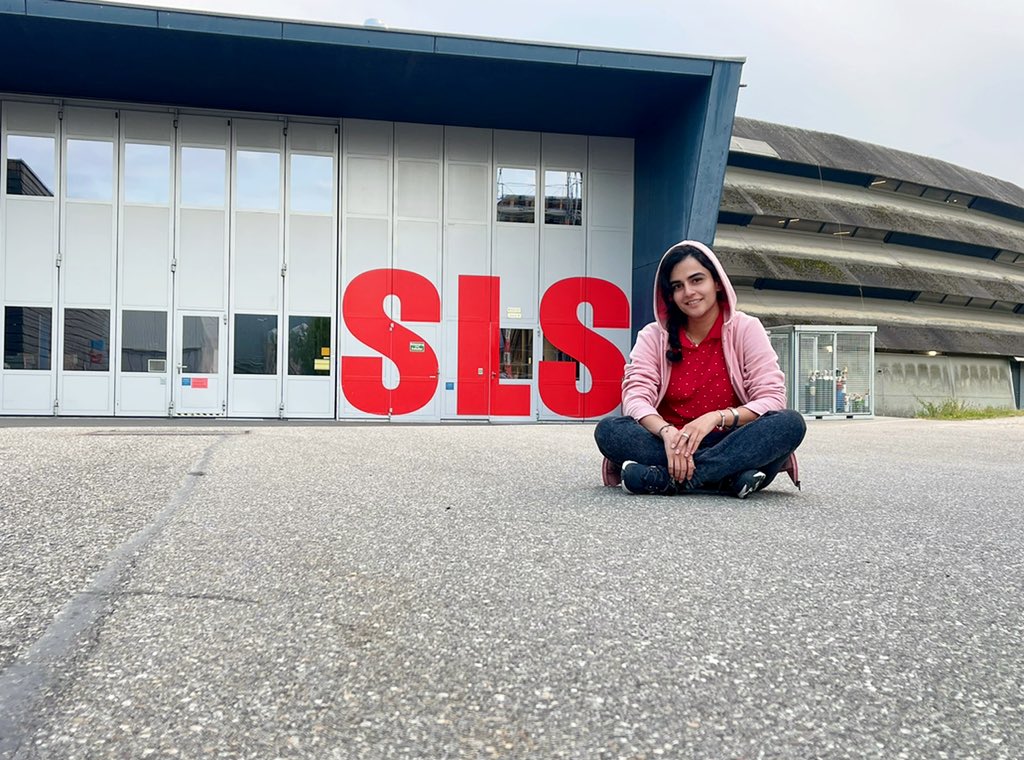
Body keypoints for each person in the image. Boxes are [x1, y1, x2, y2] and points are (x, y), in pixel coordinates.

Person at [594, 240, 805, 498]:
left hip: (732, 442)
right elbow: (636, 397)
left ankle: (665, 479)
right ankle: (726, 480)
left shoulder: (746, 328)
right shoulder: (653, 335)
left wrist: (716, 417)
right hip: (669, 444)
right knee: (609, 430)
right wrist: (667, 432)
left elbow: (772, 398)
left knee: (789, 423)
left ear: (717, 283)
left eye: (696, 280)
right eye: (678, 286)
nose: (688, 292)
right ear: (670, 294)